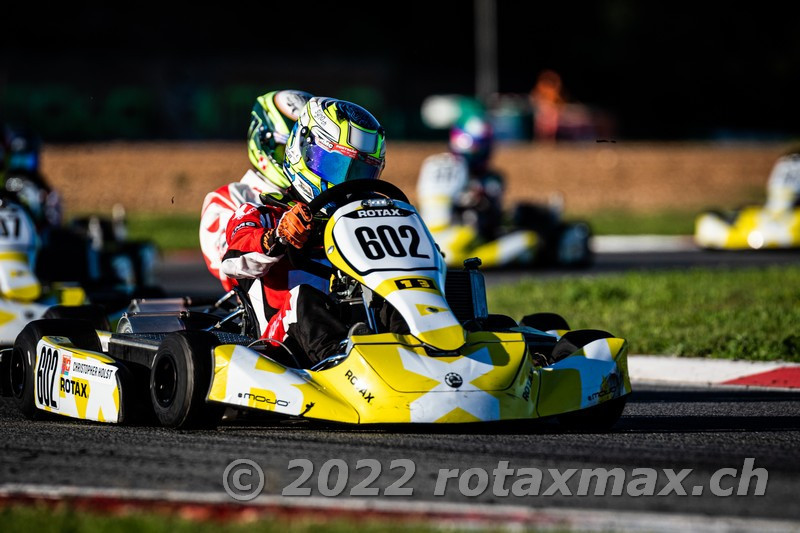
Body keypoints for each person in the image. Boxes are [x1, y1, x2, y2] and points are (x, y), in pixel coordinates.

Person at [220, 97, 386, 366]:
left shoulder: (361, 223)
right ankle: (341, 362)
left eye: (359, 173)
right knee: (304, 296)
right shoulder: (262, 213)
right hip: (278, 348)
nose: (345, 182)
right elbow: (233, 261)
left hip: (353, 328)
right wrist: (277, 236)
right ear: (302, 151)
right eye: (336, 166)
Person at [200, 90, 312, 291]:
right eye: (287, 151)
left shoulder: (324, 198)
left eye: (309, 154)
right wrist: (277, 237)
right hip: (273, 307)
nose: (298, 162)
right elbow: (231, 266)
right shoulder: (230, 198)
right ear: (263, 143)